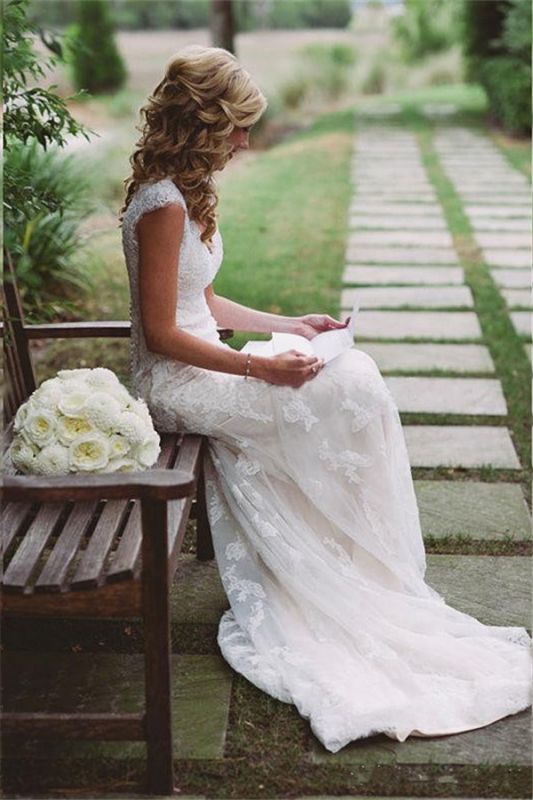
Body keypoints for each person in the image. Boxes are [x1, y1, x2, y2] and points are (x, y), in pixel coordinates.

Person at [119, 44, 531, 752]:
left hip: (210, 362)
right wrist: (260, 372)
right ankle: (337, 570)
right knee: (336, 392)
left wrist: (289, 326)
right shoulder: (160, 203)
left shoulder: (179, 193)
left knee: (352, 377)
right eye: (238, 126)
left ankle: (354, 564)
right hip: (177, 384)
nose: (248, 141)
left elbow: (203, 299)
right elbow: (161, 334)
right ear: (203, 123)